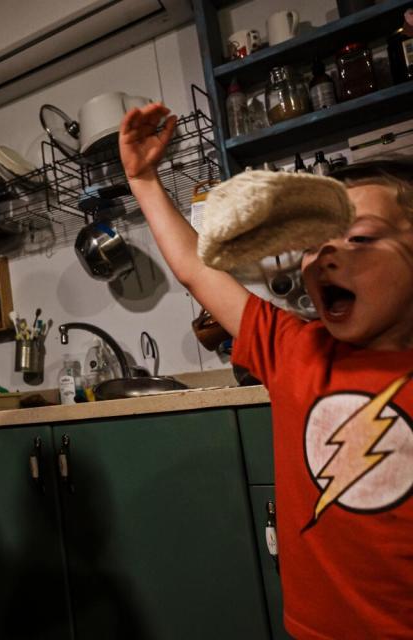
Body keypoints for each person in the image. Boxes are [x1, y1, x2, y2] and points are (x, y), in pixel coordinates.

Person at [120, 103, 413, 638]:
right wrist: (143, 181)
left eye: (361, 237)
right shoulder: (293, 348)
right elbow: (193, 266)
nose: (325, 255)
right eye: (312, 243)